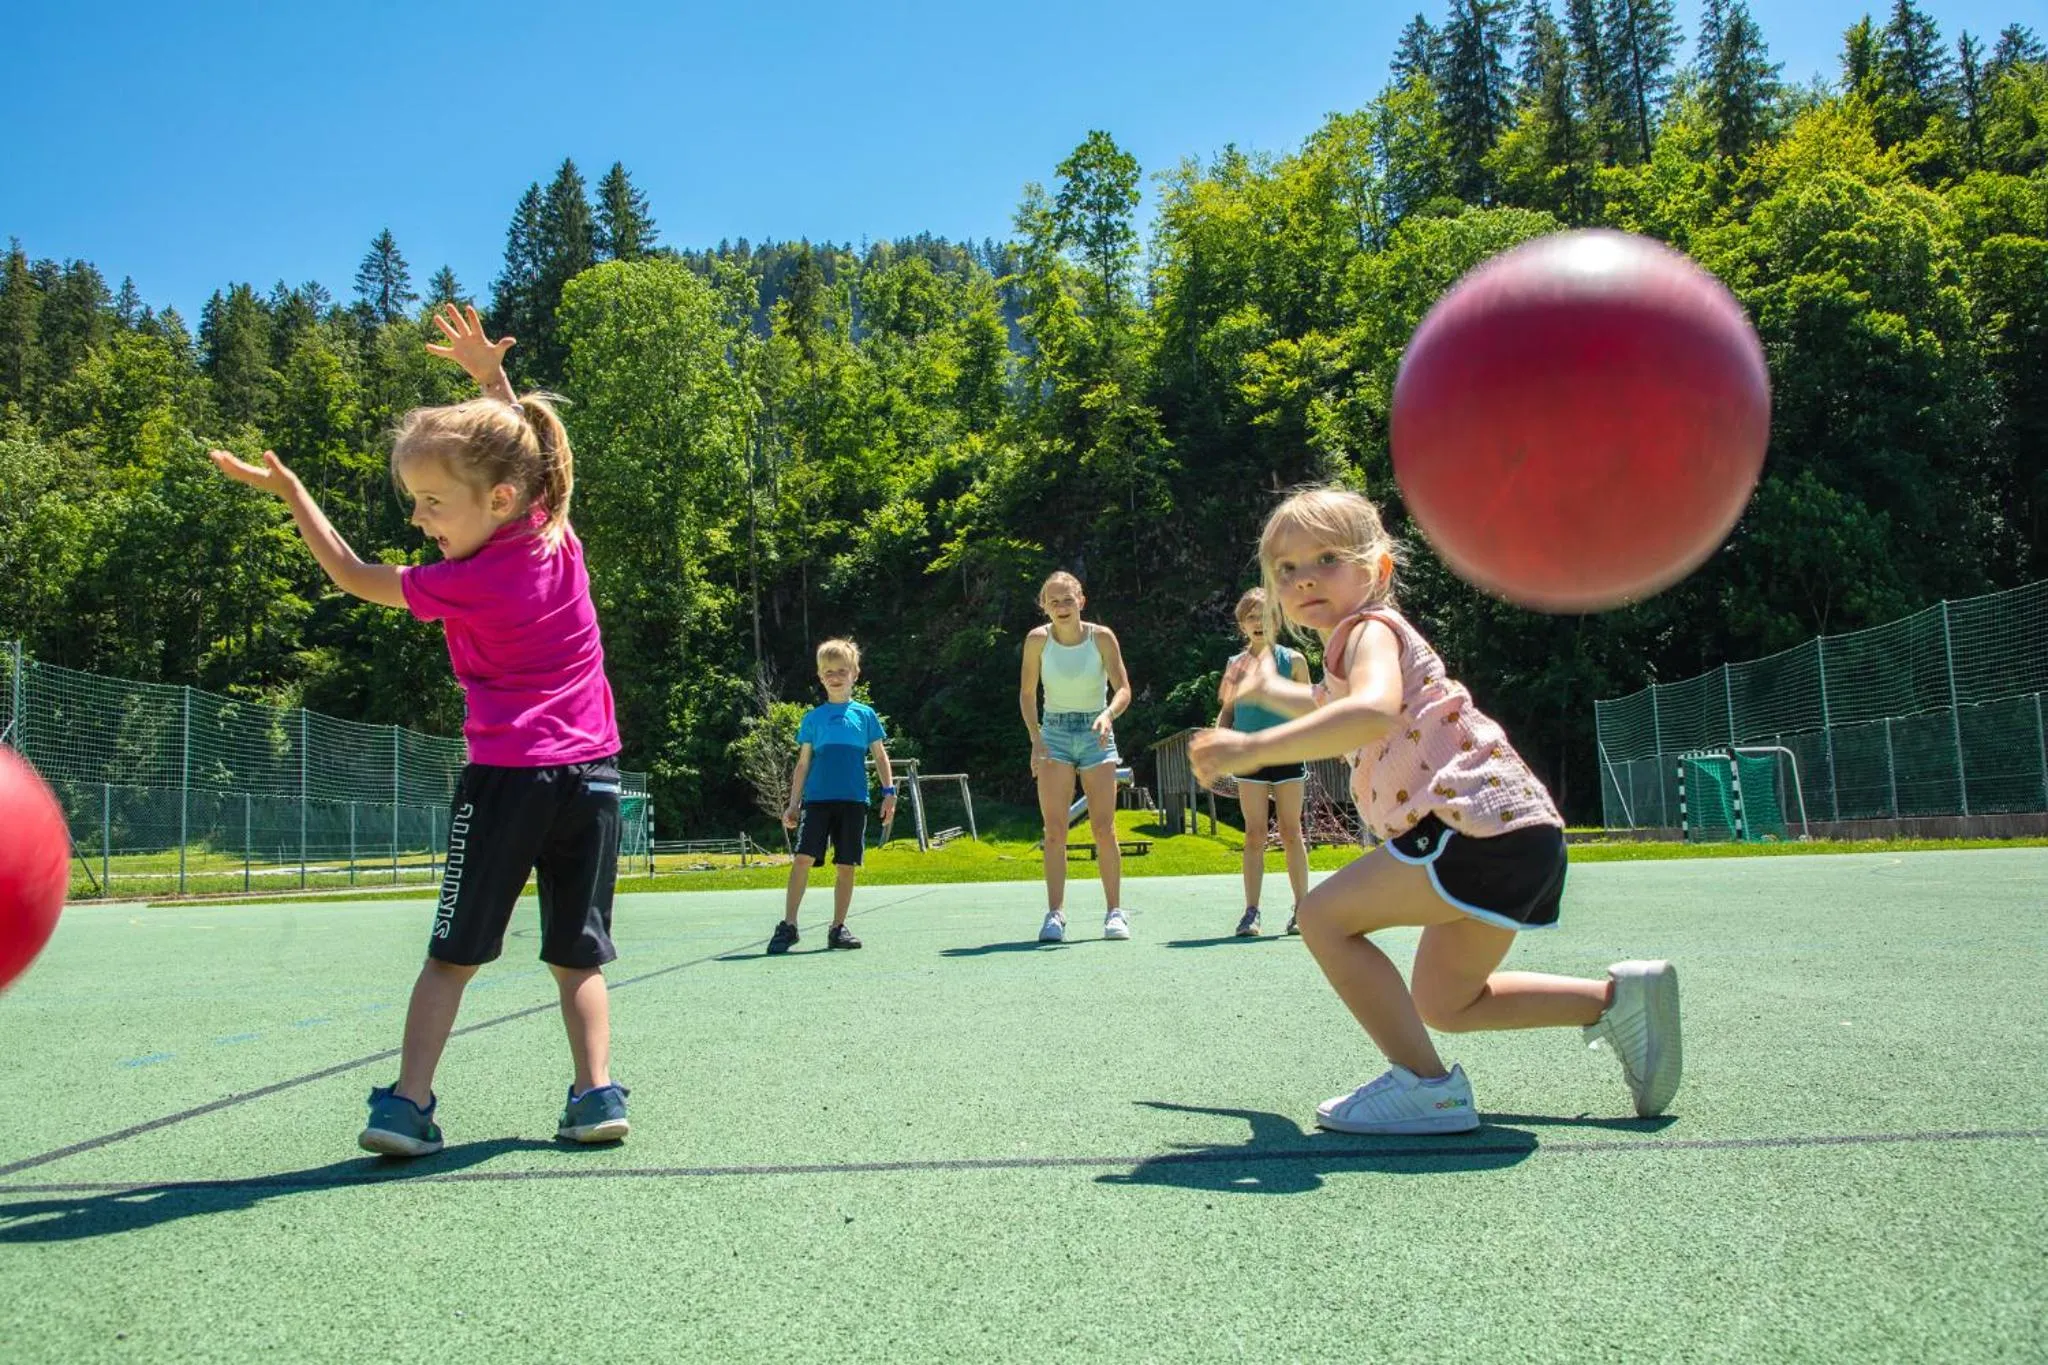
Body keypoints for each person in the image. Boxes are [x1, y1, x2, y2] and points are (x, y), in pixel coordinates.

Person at [210, 303, 629, 1156]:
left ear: (499, 498)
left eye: (433, 502)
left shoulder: (462, 580)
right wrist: (489, 380)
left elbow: (353, 574)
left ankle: (406, 1105)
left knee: (451, 957)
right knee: (577, 958)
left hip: (509, 778)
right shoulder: (556, 535)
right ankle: (595, 1096)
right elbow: (531, 454)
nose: (422, 520)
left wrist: (294, 495)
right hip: (593, 779)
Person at [1190, 486, 1679, 1134]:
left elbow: (1369, 711)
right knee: (1447, 1001)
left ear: (1379, 570)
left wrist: (1251, 745)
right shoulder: (1355, 646)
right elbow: (1335, 705)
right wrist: (1272, 691)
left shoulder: (1367, 630)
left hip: (1467, 829)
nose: (1305, 577)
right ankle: (1618, 1001)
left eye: (1327, 558)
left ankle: (1427, 1088)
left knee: (1322, 918)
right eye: (1287, 569)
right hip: (1514, 835)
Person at [1019, 571, 1134, 942]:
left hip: (1096, 733)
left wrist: (1108, 715)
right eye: (1053, 602)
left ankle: (1115, 913)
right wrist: (1036, 739)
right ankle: (1055, 915)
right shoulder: (1037, 641)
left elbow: (1123, 689)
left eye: (1067, 600)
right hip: (1053, 734)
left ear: (1081, 601)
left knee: (1104, 827)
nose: (1062, 608)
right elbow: (1026, 694)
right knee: (1054, 831)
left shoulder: (1101, 637)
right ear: (1044, 606)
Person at [772, 638, 898, 954]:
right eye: (828, 671)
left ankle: (838, 928)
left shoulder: (865, 715)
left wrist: (889, 792)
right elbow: (803, 764)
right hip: (816, 802)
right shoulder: (812, 719)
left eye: (842, 670)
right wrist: (792, 803)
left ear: (855, 673)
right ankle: (789, 925)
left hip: (854, 801)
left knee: (846, 865)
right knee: (802, 859)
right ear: (820, 676)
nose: (835, 676)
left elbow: (880, 757)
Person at [1214, 587, 1312, 938]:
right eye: (1251, 617)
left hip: (1288, 756)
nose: (1259, 623)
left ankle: (1304, 909)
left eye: (1265, 616)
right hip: (1249, 760)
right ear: (1242, 625)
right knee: (1254, 833)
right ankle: (1251, 913)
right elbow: (1226, 712)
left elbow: (1310, 708)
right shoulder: (1234, 666)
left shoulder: (1295, 661)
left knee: (1291, 831)